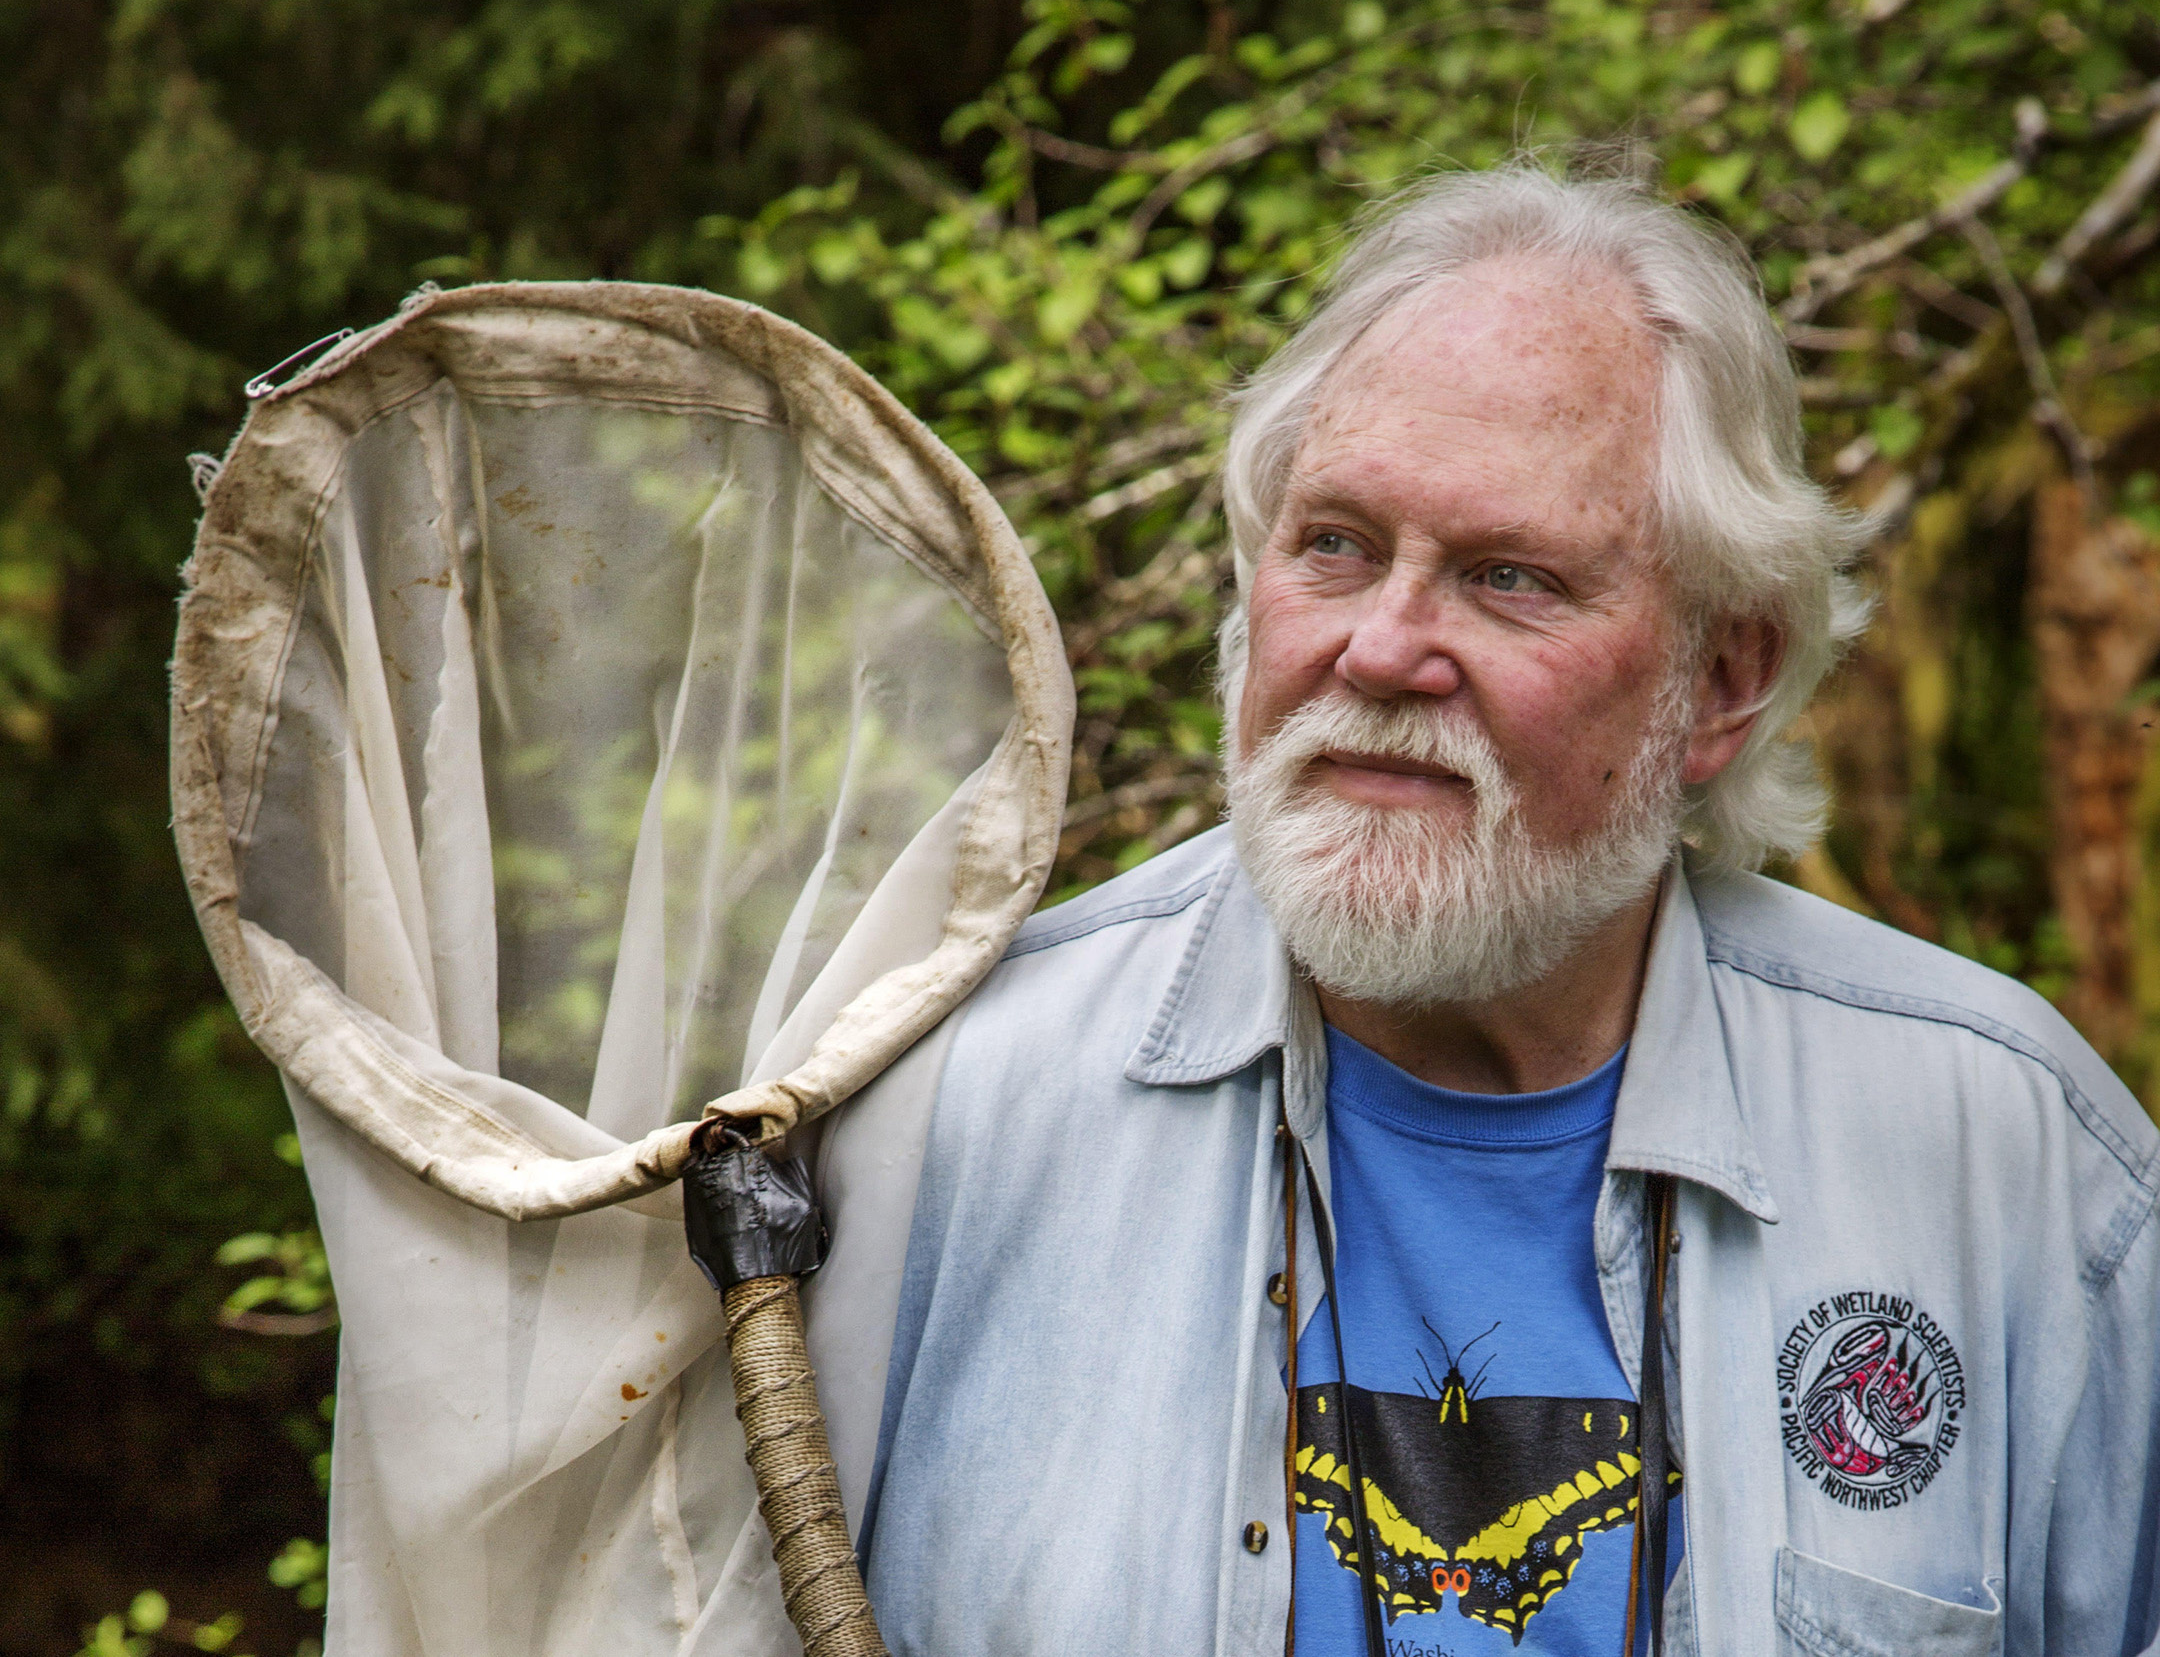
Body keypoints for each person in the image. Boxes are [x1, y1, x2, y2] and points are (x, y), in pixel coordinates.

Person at [842, 165, 2160, 1655]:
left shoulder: (2023, 1168)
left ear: (1720, 681)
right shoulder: (943, 1110)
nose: (1382, 647)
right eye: (1333, 543)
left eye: (1508, 576)